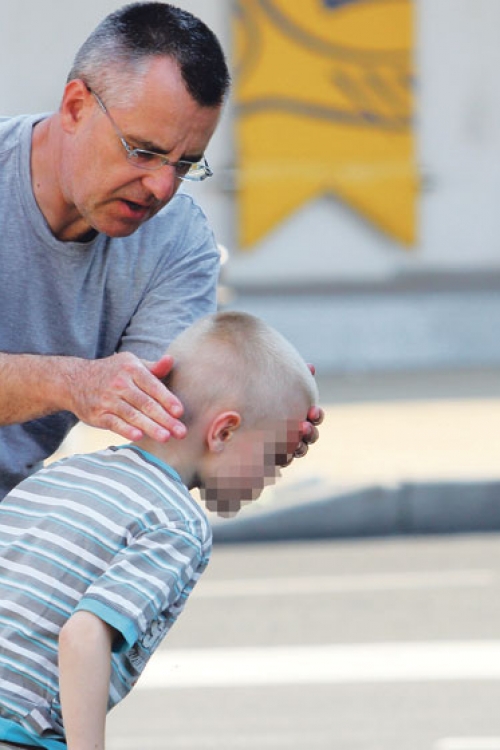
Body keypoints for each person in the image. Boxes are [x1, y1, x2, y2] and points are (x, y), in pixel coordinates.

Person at [0, 1, 321, 500]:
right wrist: (72, 383)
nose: (162, 188)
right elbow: (89, 388)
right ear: (76, 107)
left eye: (185, 164)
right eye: (143, 151)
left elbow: (168, 440)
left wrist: (250, 425)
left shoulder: (177, 241)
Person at [0, 310, 319, 750]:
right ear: (224, 432)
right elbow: (84, 635)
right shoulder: (176, 524)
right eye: (273, 459)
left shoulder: (64, 473)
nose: (270, 479)